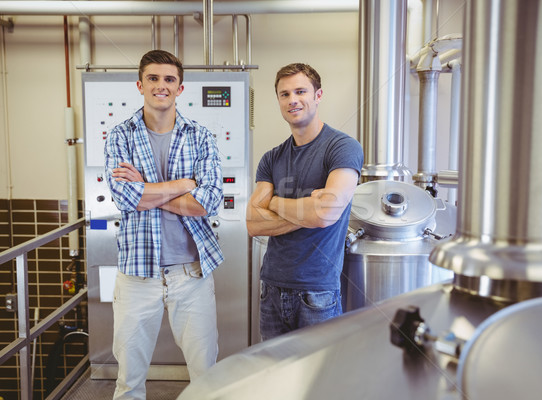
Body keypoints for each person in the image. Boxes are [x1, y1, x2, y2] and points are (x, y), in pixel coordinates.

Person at [104, 49, 223, 399]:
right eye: (153, 79)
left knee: (206, 375)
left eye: (169, 79)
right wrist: (184, 184)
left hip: (191, 273)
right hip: (137, 273)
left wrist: (146, 188)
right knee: (129, 379)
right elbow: (125, 198)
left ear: (180, 88)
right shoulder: (120, 135)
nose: (161, 86)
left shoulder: (200, 136)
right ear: (140, 85)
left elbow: (207, 202)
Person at [246, 63, 364, 340]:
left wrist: (272, 202)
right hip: (271, 288)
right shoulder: (272, 157)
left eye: (300, 91)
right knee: (275, 375)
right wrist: (306, 210)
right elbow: (253, 223)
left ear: (318, 95)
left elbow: (325, 213)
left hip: (318, 292)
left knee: (317, 380)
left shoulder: (342, 147)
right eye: (284, 94)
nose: (292, 100)